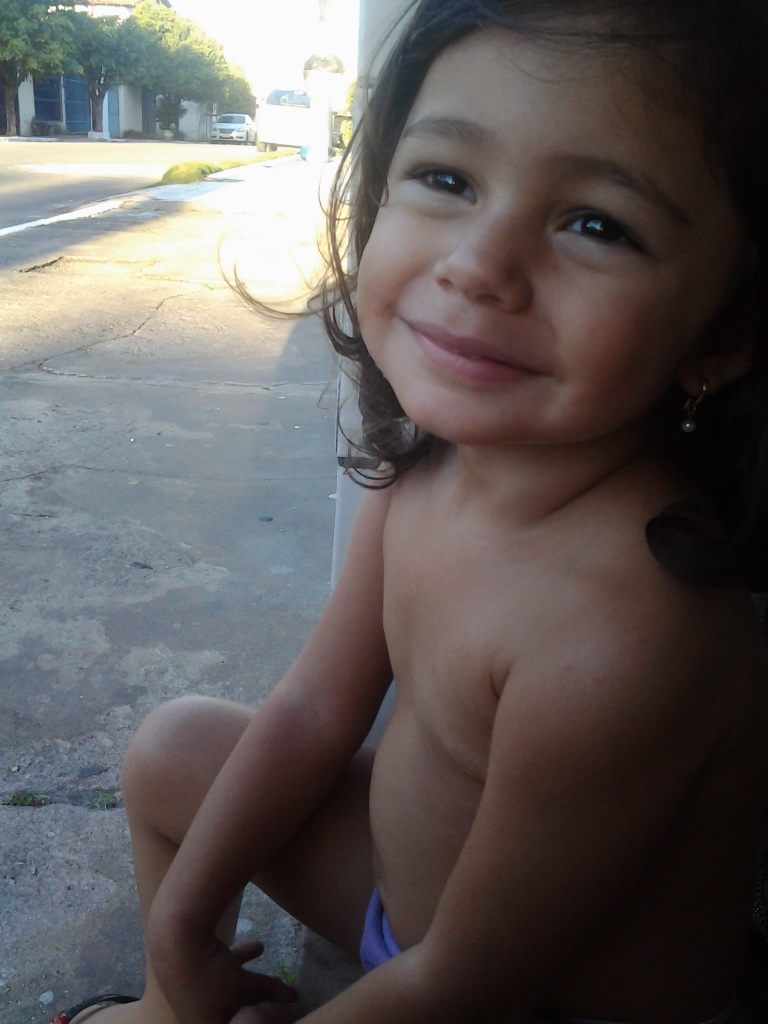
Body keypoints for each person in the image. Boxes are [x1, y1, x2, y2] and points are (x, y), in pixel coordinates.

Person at [53, 1, 768, 1022]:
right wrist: (180, 925)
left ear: (726, 331)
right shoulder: (432, 468)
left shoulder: (626, 632)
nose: (478, 264)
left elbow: (469, 985)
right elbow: (313, 709)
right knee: (175, 751)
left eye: (597, 225)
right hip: (403, 911)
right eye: (447, 178)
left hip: (520, 992)